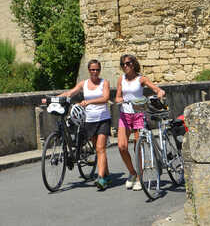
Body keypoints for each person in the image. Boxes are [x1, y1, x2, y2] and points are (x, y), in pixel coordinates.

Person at [57, 59, 112, 190]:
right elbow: (70, 92)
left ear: (100, 70)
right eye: (92, 69)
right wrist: (55, 98)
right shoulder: (84, 83)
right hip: (89, 120)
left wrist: (89, 102)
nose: (95, 72)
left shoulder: (104, 83)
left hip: (103, 119)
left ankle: (100, 178)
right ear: (89, 70)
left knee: (100, 148)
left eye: (97, 70)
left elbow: (105, 98)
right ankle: (107, 175)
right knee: (98, 149)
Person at [115, 54, 165, 191]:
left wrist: (160, 92)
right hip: (125, 114)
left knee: (139, 147)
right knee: (122, 146)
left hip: (138, 114)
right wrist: (121, 100)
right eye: (123, 64)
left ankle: (139, 178)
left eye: (128, 63)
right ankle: (132, 172)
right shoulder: (121, 79)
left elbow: (155, 89)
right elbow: (118, 97)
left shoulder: (141, 79)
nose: (126, 66)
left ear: (134, 64)